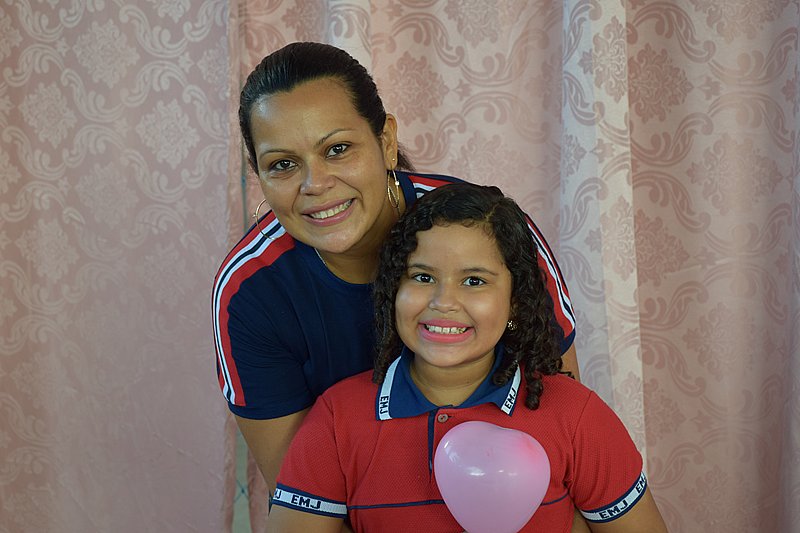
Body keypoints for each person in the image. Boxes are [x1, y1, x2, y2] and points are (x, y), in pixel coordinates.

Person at [212, 42, 578, 502]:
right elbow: (302, 501)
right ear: (259, 175)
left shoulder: (492, 233)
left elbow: (572, 441)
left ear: (385, 142)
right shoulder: (249, 293)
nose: (315, 184)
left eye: (338, 149)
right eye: (282, 164)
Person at [267, 183, 667, 532]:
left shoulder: (576, 416)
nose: (444, 302)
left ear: (515, 301)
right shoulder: (337, 420)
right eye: (422, 277)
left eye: (474, 281)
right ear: (392, 289)